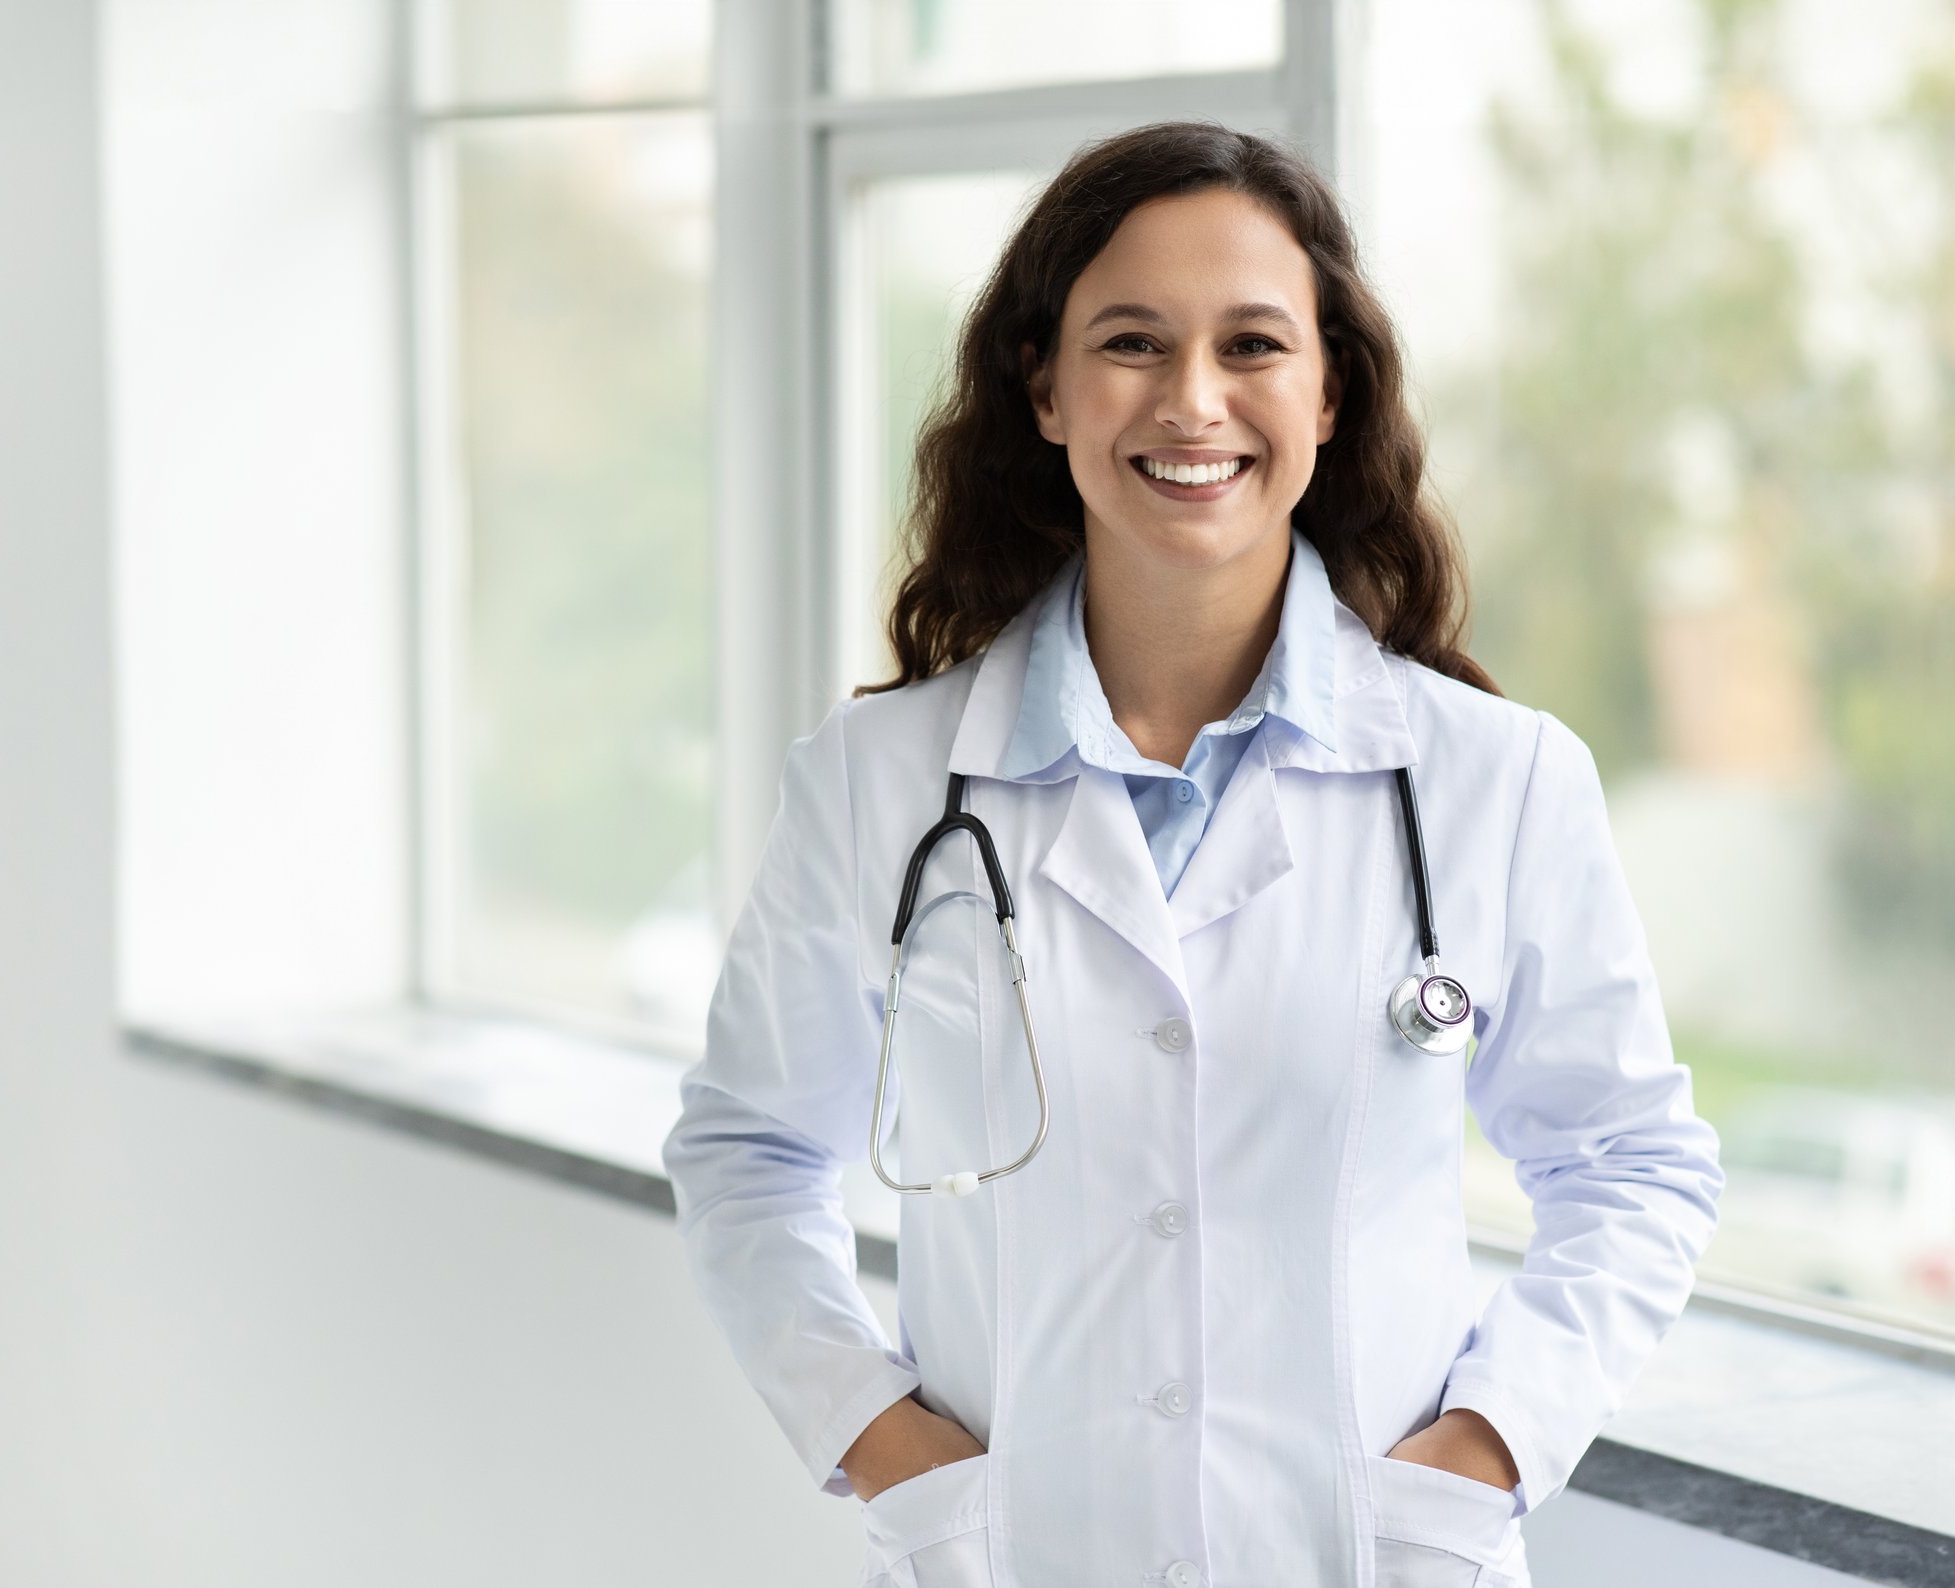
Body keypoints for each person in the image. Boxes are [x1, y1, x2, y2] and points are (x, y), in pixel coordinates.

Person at [662, 119, 1724, 1588]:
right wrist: (887, 1443)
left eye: (1253, 345)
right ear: (1044, 389)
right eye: (1131, 342)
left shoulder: (1495, 781)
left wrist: (1483, 1452)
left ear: (1331, 390)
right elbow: (751, 1152)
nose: (1193, 400)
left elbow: (1632, 1163)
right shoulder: (878, 786)